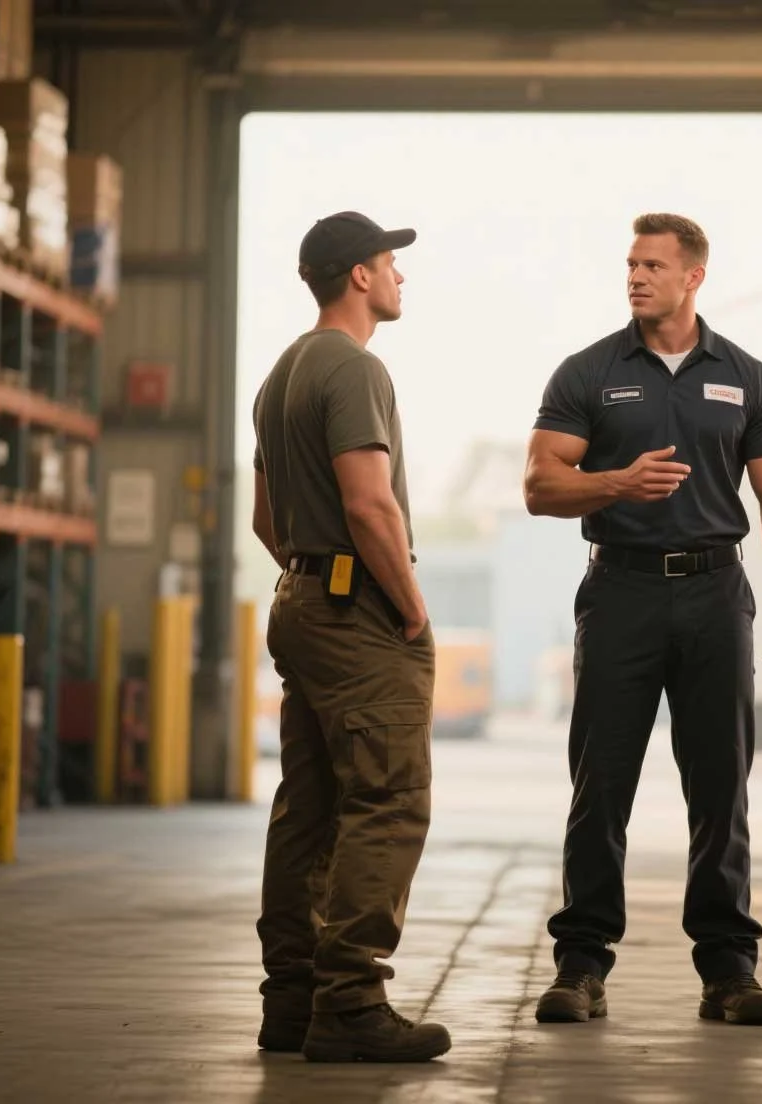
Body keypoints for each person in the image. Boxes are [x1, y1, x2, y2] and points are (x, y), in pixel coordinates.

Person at [522, 212, 762, 1027]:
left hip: (719, 594)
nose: (636, 277)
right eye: (630, 264)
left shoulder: (747, 377)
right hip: (621, 593)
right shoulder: (589, 372)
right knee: (601, 784)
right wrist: (616, 483)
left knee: (721, 784)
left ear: (695, 277)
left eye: (653, 265)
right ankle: (581, 966)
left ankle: (729, 971)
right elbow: (540, 485)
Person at [249, 210, 450, 1064]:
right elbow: (371, 503)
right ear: (359, 276)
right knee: (386, 798)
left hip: (301, 598)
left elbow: (266, 517)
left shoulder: (281, 373)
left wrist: (311, 570)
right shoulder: (354, 368)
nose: (402, 277)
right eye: (391, 263)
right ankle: (353, 1002)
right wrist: (408, 605)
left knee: (310, 806)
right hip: (356, 611)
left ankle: (291, 999)